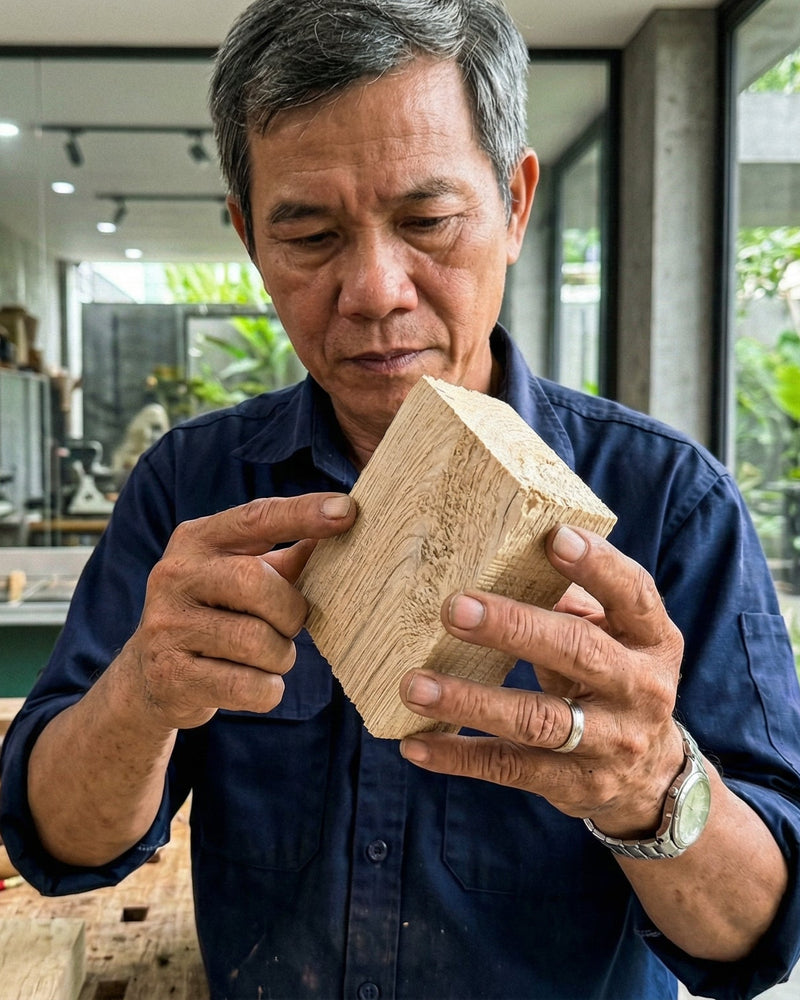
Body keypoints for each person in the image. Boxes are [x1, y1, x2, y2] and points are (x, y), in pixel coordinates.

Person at [2, 1, 800, 997]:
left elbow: (759, 929)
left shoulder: (666, 500)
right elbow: (56, 841)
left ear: (513, 206)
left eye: (426, 222)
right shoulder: (196, 488)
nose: (375, 289)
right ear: (250, 237)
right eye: (309, 233)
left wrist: (649, 784)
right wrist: (139, 694)